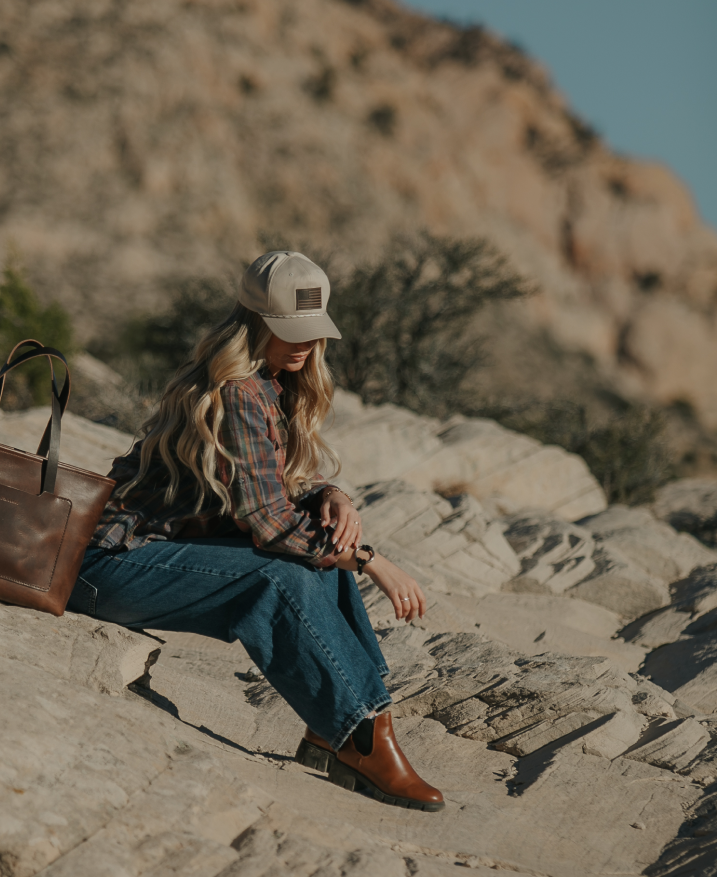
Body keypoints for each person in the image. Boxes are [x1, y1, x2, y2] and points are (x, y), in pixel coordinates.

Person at [68, 251, 444, 812]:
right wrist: (371, 561)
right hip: (106, 567)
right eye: (288, 330)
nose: (304, 345)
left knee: (315, 549)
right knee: (279, 576)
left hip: (153, 555)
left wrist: (330, 496)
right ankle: (360, 735)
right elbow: (270, 527)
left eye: (313, 332)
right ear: (253, 323)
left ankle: (344, 727)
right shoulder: (238, 391)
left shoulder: (270, 384)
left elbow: (275, 486)